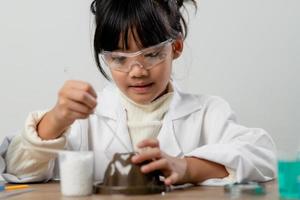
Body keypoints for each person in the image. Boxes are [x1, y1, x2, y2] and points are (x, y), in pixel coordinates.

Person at [1, 0, 276, 186]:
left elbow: (263, 156)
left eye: (152, 54)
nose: (137, 71)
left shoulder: (208, 113)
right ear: (105, 58)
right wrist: (57, 119)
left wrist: (186, 168)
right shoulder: (85, 120)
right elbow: (17, 169)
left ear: (176, 48)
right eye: (120, 59)